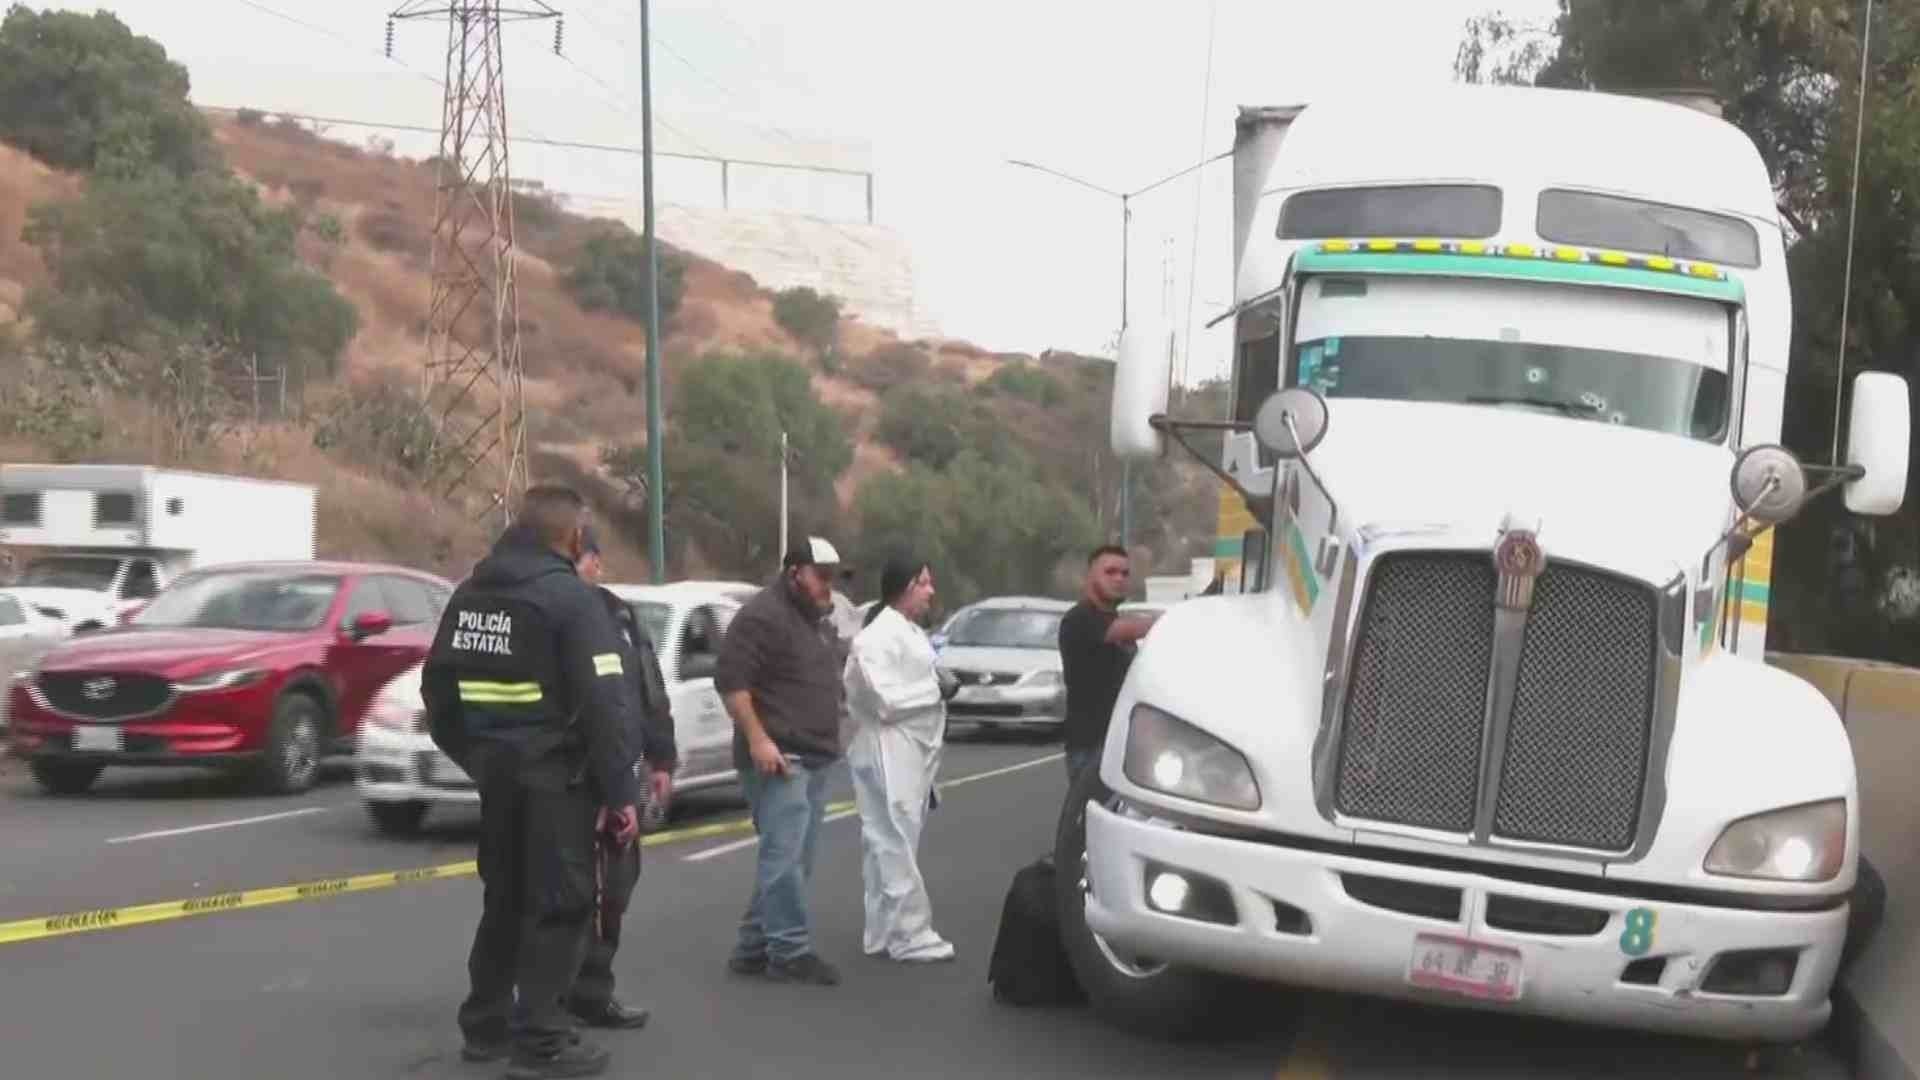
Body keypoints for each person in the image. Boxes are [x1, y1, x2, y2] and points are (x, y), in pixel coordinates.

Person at [421, 485, 640, 1080]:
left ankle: (485, 1029)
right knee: (562, 904)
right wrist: (620, 793)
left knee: (505, 901)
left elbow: (436, 690)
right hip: (556, 782)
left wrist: (478, 758)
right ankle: (541, 1039)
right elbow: (606, 703)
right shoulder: (570, 601)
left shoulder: (469, 596)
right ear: (573, 537)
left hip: (497, 778)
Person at [717, 536, 849, 987]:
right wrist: (758, 739)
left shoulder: (814, 620)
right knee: (785, 857)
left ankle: (753, 946)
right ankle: (789, 950)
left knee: (792, 858)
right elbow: (732, 684)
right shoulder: (761, 616)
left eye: (834, 578)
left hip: (814, 755)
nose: (829, 586)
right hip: (780, 757)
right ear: (794, 572)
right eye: (822, 576)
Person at [566, 526, 677, 1032]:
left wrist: (661, 758)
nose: (589, 566)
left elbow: (648, 688)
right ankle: (547, 1003)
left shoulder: (619, 615)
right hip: (567, 781)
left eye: (589, 557)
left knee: (616, 887)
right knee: (562, 897)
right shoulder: (549, 616)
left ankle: (592, 992)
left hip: (620, 773)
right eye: (579, 558)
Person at [843, 557, 959, 963]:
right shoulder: (876, 637)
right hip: (889, 749)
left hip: (907, 750)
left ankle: (884, 931)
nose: (930, 591)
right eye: (924, 583)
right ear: (904, 586)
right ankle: (910, 933)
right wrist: (936, 692)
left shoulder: (907, 631)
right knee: (893, 842)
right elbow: (881, 698)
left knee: (888, 841)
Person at [1057, 545, 1159, 783]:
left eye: (1125, 573)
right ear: (1089, 576)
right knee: (1090, 816)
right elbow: (1128, 630)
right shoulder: (1079, 619)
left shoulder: (1113, 621)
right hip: (1091, 748)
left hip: (1121, 744)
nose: (1119, 579)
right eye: (1110, 572)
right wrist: (1180, 616)